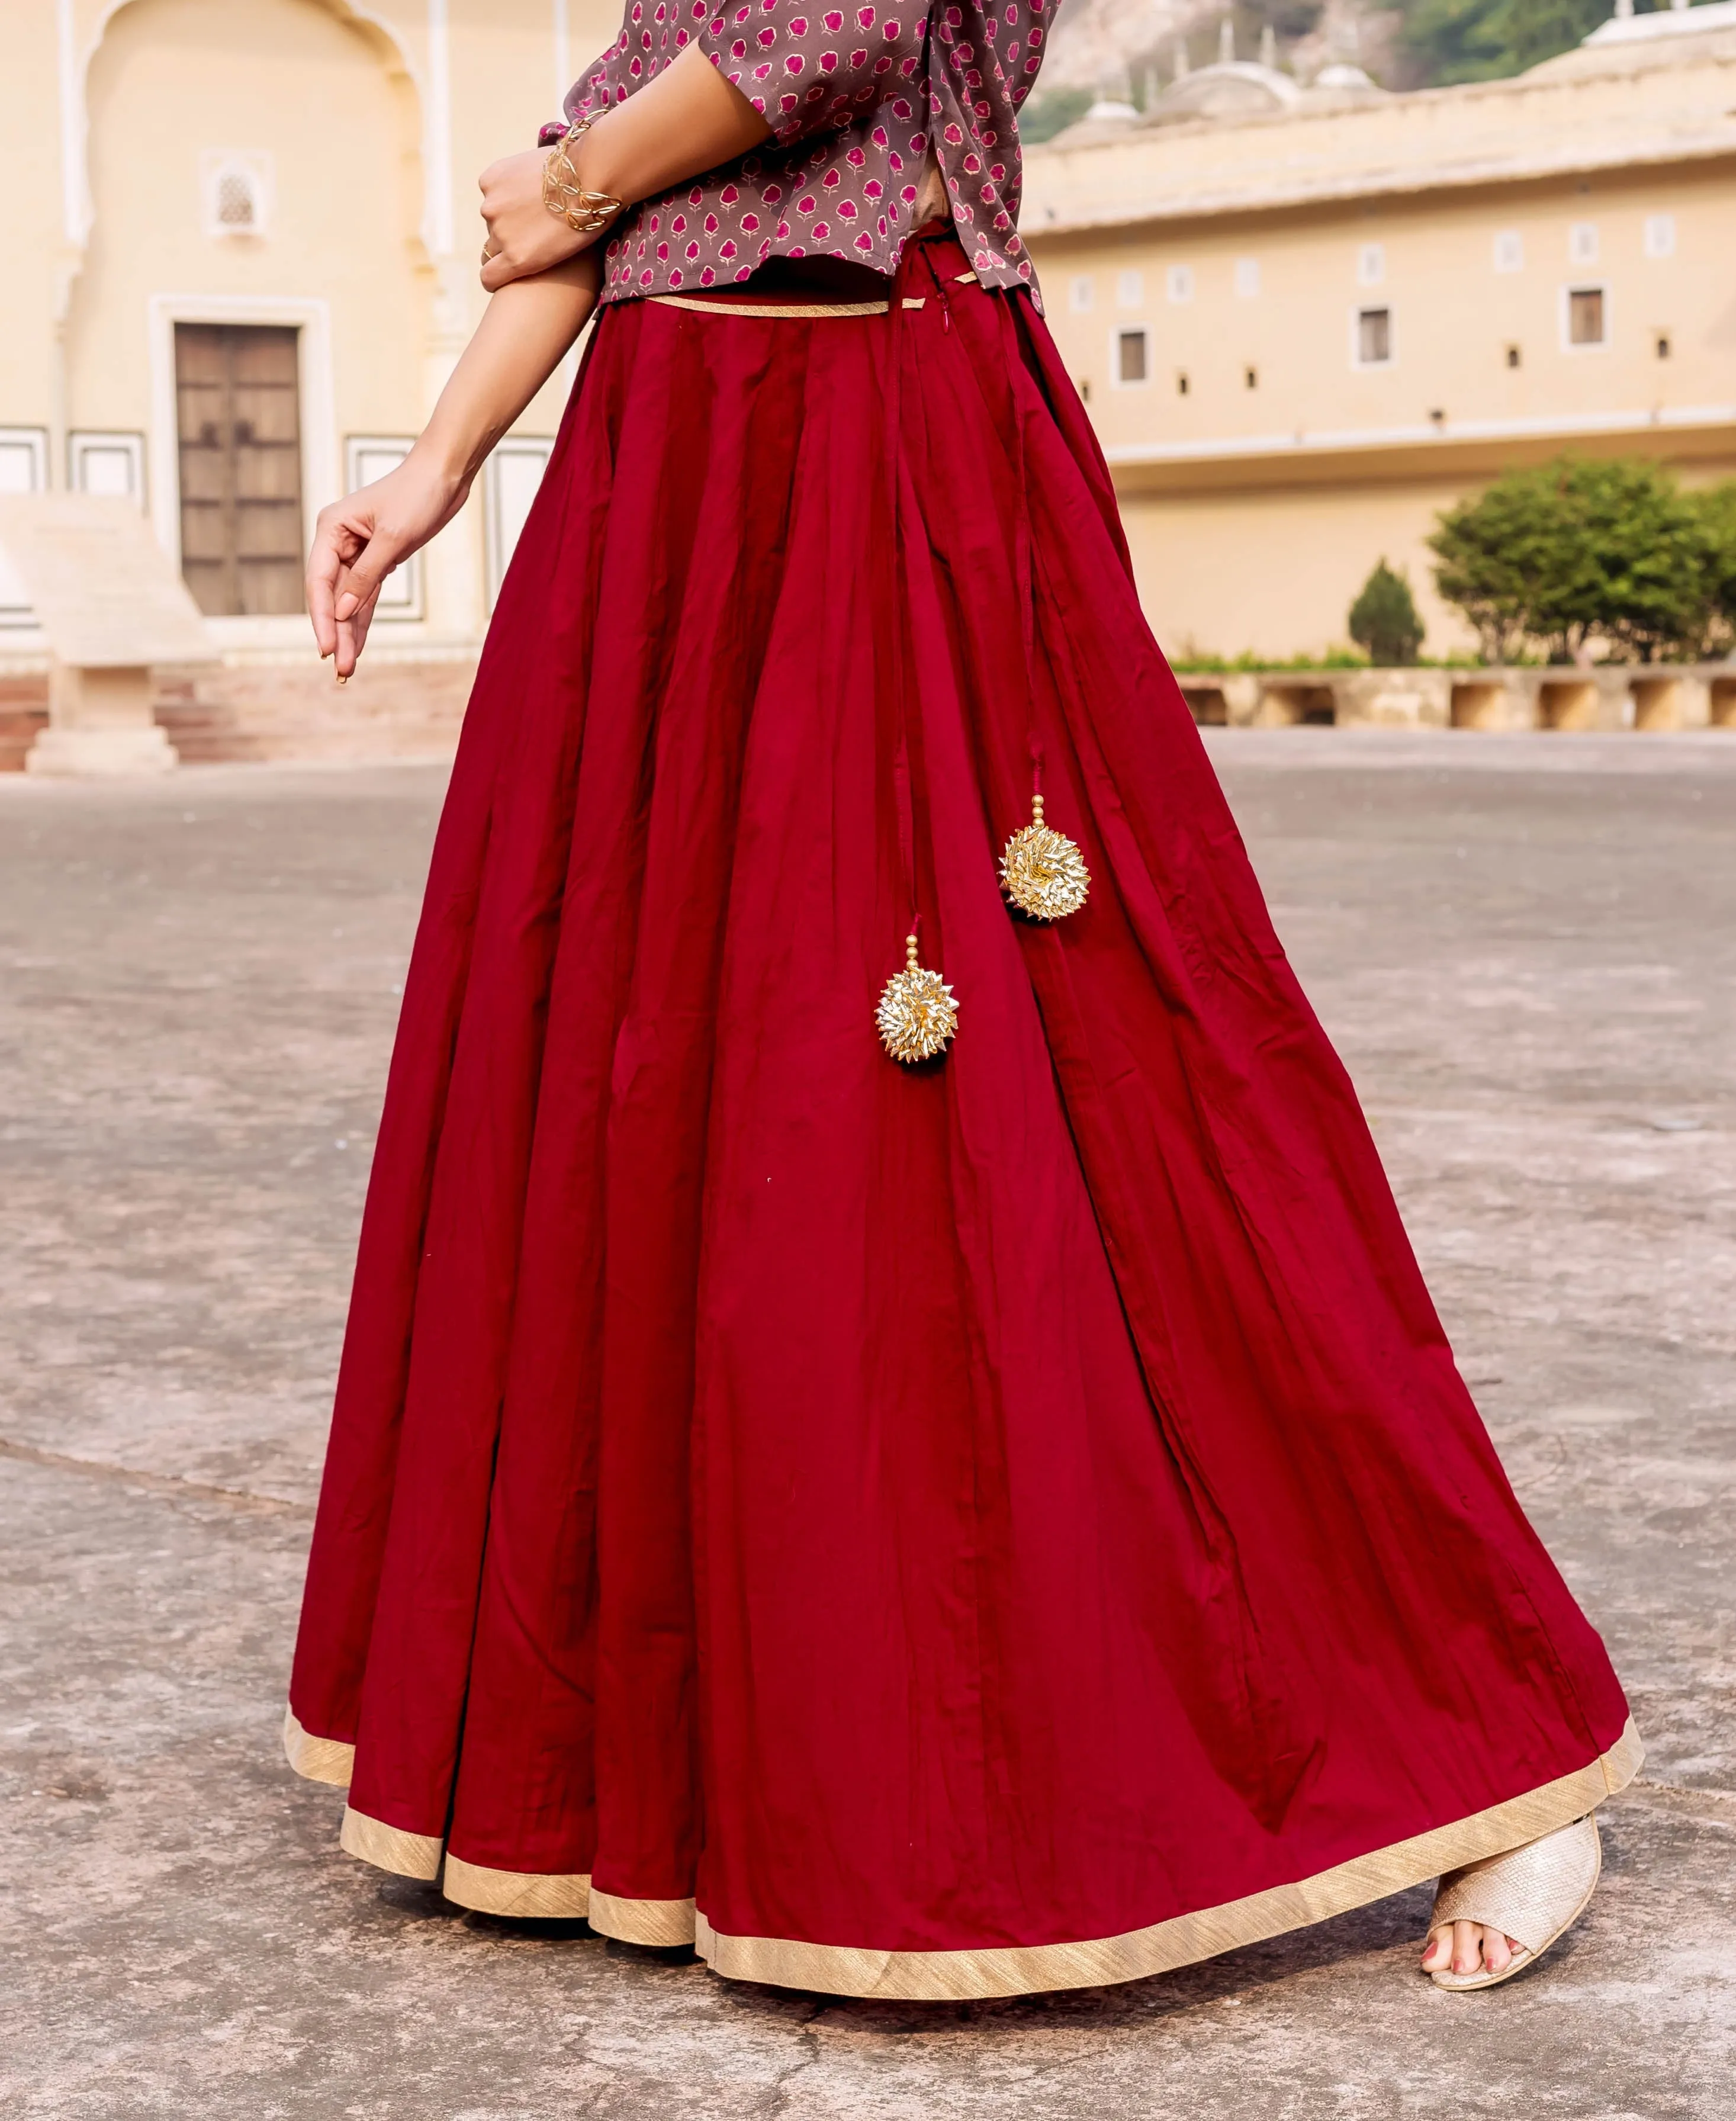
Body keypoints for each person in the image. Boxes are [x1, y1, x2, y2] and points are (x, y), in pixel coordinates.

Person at [284, 0, 1637, 2001]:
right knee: (657, 1112)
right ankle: (662, 1783)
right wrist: (435, 468)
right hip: (670, 481)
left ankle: (1493, 1741)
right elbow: (624, 167)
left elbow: (801, 47)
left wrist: (568, 176)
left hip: (874, 440)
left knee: (1103, 1096)